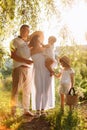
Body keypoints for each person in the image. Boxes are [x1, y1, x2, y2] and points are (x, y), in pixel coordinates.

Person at [10, 24, 34, 116]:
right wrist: (26, 61)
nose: (25, 31)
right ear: (20, 30)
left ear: (28, 33)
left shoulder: (28, 43)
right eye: (23, 29)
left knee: (27, 91)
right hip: (19, 68)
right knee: (15, 90)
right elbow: (13, 55)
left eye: (27, 30)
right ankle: (13, 111)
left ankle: (26, 110)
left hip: (29, 69)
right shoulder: (14, 41)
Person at [29, 32, 55, 116]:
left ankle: (43, 110)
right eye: (37, 40)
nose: (39, 41)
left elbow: (52, 58)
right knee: (38, 91)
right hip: (37, 71)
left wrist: (50, 68)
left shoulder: (44, 49)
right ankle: (37, 111)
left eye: (39, 40)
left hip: (46, 71)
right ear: (34, 41)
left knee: (45, 91)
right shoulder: (30, 50)